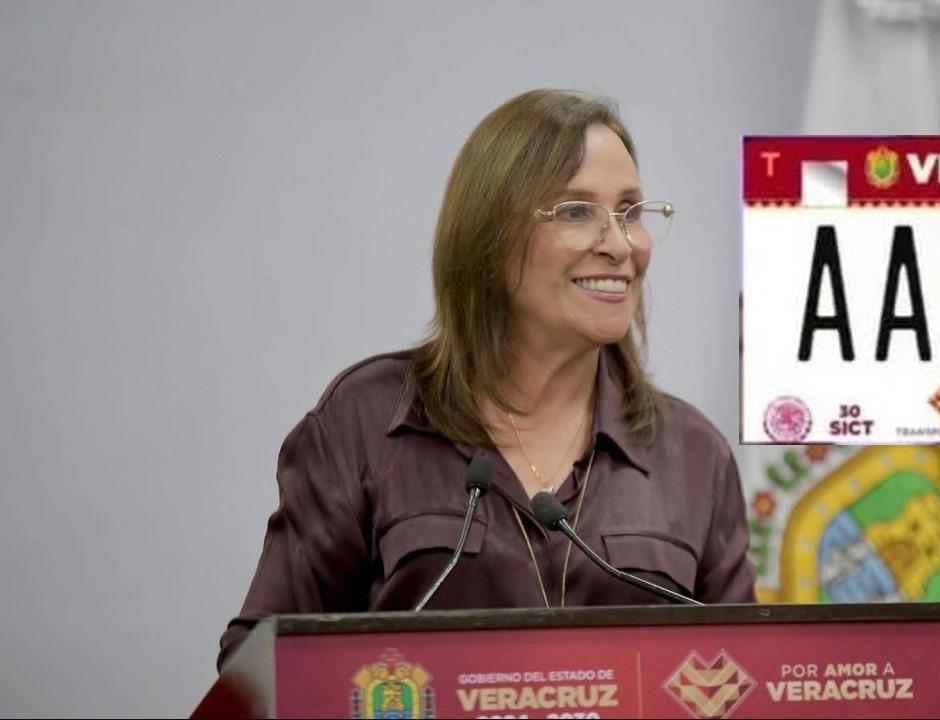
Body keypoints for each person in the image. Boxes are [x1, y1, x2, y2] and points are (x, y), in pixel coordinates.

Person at [216, 88, 757, 672]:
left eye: (629, 212)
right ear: (490, 236)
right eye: (576, 211)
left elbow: (749, 675)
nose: (619, 244)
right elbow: (259, 670)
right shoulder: (365, 422)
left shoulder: (693, 454)